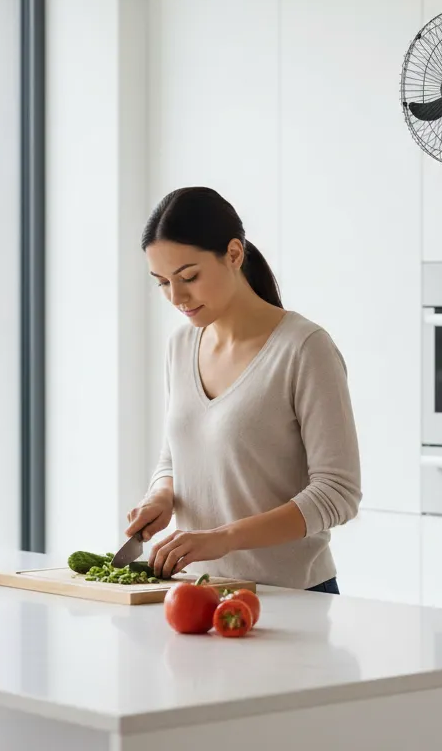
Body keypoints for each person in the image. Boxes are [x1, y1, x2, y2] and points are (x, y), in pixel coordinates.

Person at [126, 186, 362, 593]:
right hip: (197, 594)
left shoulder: (304, 349)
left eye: (189, 277)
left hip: (292, 598)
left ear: (234, 254)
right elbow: (175, 458)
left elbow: (337, 494)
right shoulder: (181, 346)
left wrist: (223, 538)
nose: (176, 297)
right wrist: (161, 496)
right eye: (162, 282)